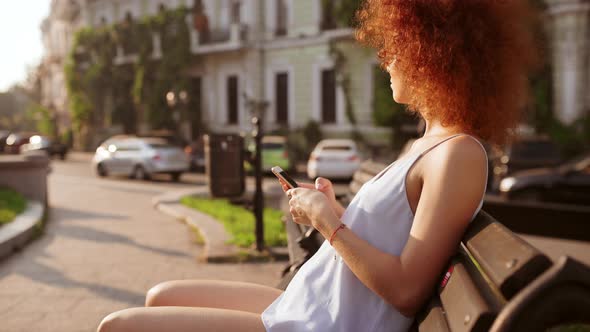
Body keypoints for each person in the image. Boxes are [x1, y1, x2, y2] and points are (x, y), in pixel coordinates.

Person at [97, 1, 538, 331]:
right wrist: (334, 211)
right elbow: (391, 240)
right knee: (160, 296)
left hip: (323, 324)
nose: (386, 59)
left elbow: (405, 291)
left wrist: (328, 222)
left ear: (435, 57)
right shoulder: (431, 144)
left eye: (398, 47)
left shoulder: (459, 154)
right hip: (310, 303)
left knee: (118, 327)